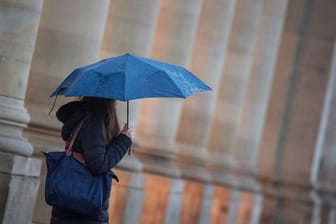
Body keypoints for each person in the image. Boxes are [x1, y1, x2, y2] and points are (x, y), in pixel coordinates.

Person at [50, 96, 134, 224]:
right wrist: (123, 141)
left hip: (70, 209)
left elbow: (95, 154)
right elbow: (99, 164)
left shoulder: (85, 119)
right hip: (84, 212)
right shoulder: (93, 123)